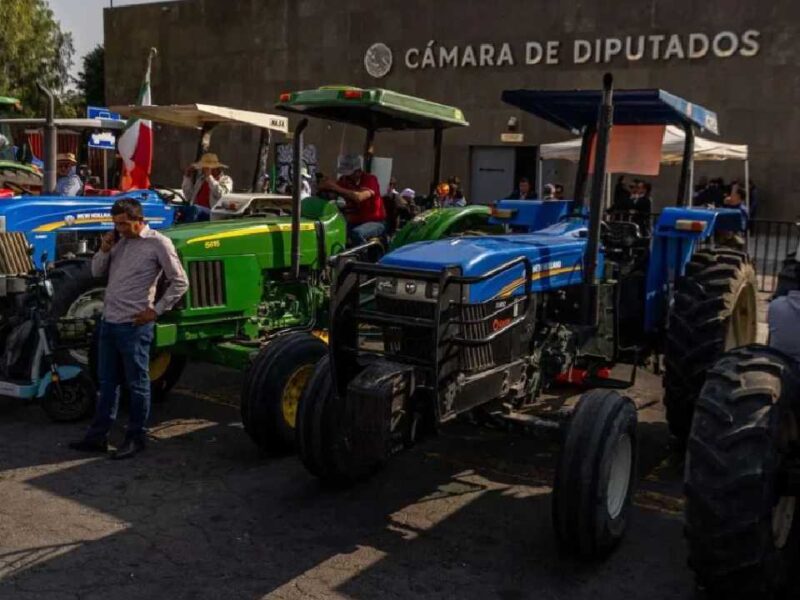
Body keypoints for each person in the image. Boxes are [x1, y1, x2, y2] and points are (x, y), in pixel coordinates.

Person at [69, 198, 188, 459]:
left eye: (124, 224)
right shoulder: (119, 241)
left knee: (137, 383)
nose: (120, 228)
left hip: (134, 325)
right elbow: (97, 271)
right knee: (107, 382)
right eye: (116, 224)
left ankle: (136, 437)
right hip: (109, 321)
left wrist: (155, 311)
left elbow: (180, 282)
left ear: (138, 220)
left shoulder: (158, 243)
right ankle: (98, 437)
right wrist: (104, 248)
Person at [318, 155, 385, 245]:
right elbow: (334, 195)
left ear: (358, 171)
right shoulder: (344, 180)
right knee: (331, 232)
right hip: (354, 221)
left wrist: (335, 187)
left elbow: (359, 197)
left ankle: (362, 257)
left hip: (374, 222)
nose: (346, 176)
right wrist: (325, 187)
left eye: (349, 173)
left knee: (357, 233)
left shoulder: (370, 180)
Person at [181, 153, 233, 221]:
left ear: (215, 168)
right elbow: (189, 196)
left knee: (195, 209)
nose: (203, 170)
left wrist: (209, 177)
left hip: (213, 214)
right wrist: (187, 177)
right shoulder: (201, 180)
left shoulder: (226, 179)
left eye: (206, 168)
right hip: (197, 211)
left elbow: (221, 194)